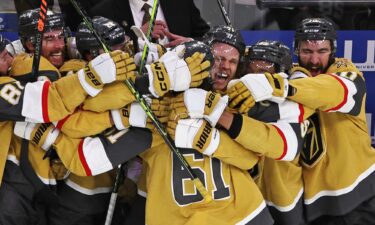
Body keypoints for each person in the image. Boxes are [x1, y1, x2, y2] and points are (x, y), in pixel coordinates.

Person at [89, 0, 210, 48]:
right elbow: (100, 54)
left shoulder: (180, 2)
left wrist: (190, 44)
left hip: (182, 88)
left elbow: (208, 39)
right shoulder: (103, 12)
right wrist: (137, 36)